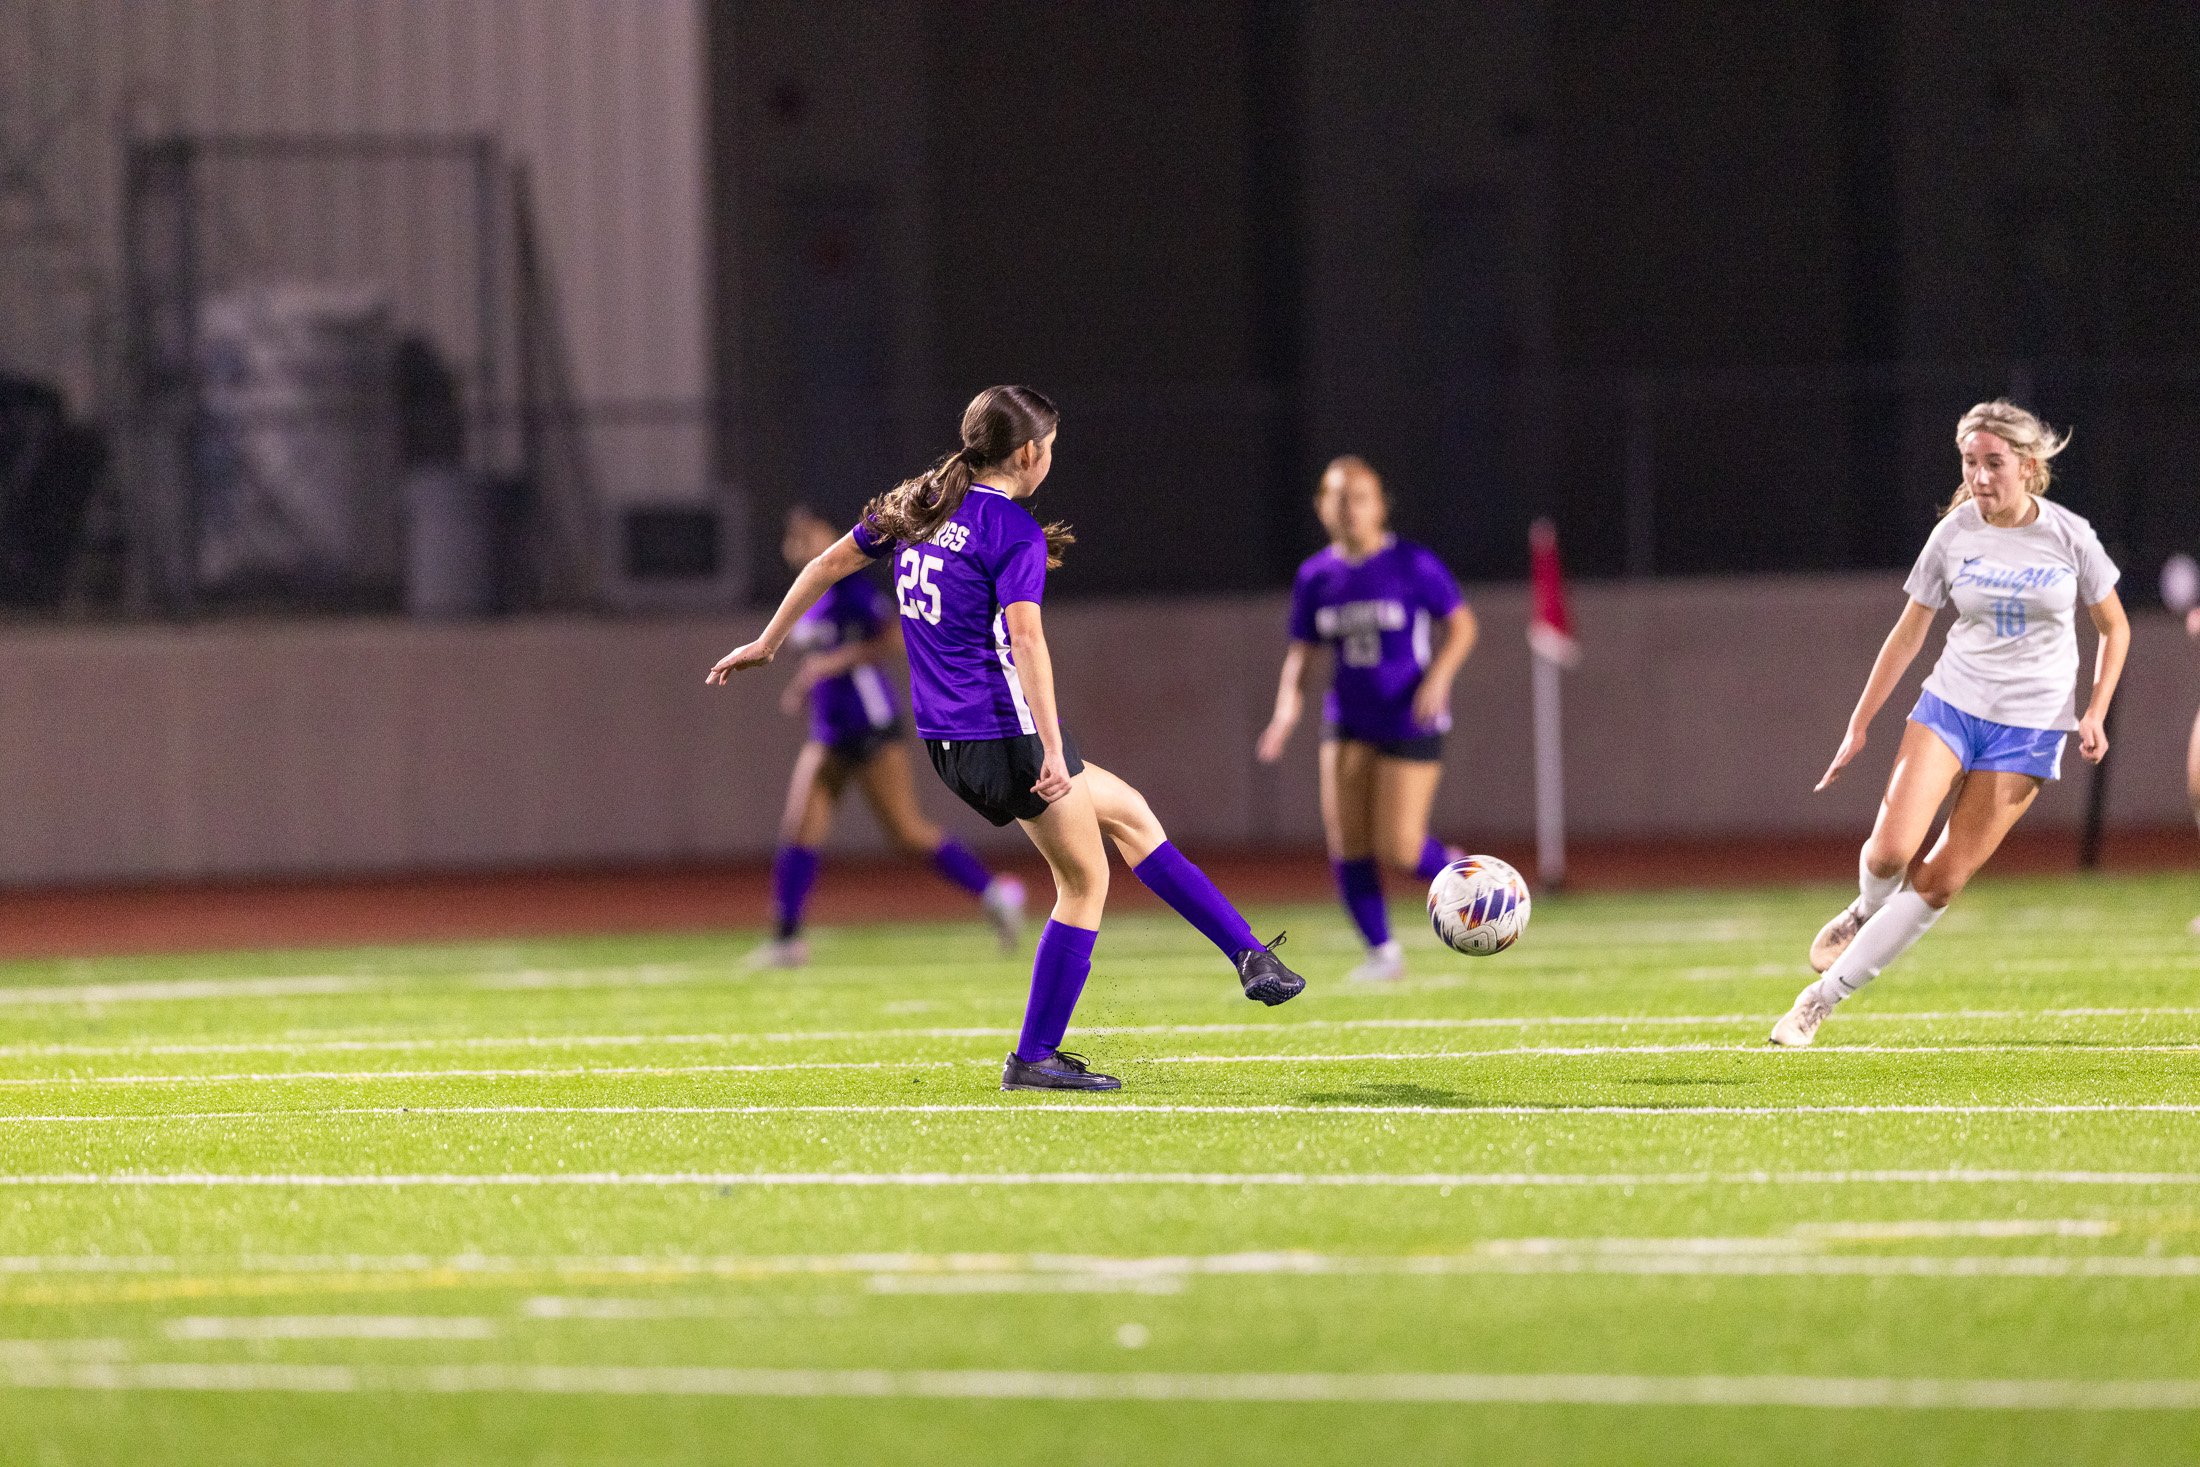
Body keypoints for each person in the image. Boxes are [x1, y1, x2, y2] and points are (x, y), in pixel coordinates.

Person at [710, 386, 1305, 1091]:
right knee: (1084, 882)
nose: (1051, 457)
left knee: (1131, 814)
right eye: (1050, 447)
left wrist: (767, 642)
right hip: (1004, 733)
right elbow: (1026, 641)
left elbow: (825, 565)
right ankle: (1034, 1057)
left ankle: (1248, 955)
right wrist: (1051, 747)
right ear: (1027, 453)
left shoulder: (920, 502)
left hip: (949, 741)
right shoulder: (1010, 529)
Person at [1774, 400, 2130, 1047]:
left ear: (2028, 465)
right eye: (1970, 462)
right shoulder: (1953, 534)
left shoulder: (2070, 535)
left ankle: (1819, 1001)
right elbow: (1908, 635)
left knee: (1939, 880)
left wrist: (2096, 710)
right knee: (1890, 852)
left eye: (1994, 463)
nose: (1980, 476)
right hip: (1953, 703)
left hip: (2030, 728)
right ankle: (1864, 909)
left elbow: (2115, 627)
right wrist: (1859, 723)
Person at [745, 505, 1025, 968]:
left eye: (810, 535)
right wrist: (806, 683)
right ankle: (787, 940)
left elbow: (893, 640)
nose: (800, 546)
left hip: (870, 723)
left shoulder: (852, 590)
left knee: (907, 832)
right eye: (793, 540)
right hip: (830, 729)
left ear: (830, 534)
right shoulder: (813, 597)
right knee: (799, 828)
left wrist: (831, 664)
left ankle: (994, 893)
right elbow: (821, 659)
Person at [1255, 456, 1479, 981]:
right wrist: (1285, 712)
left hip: (1408, 716)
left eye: (1360, 498)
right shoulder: (1316, 576)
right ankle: (1383, 954)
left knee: (1399, 846)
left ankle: (1471, 880)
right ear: (1321, 507)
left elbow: (1463, 626)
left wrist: (1439, 677)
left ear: (1380, 505)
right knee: (1348, 842)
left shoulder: (1412, 563)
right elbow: (1302, 655)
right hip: (1347, 719)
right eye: (1338, 499)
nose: (1349, 509)